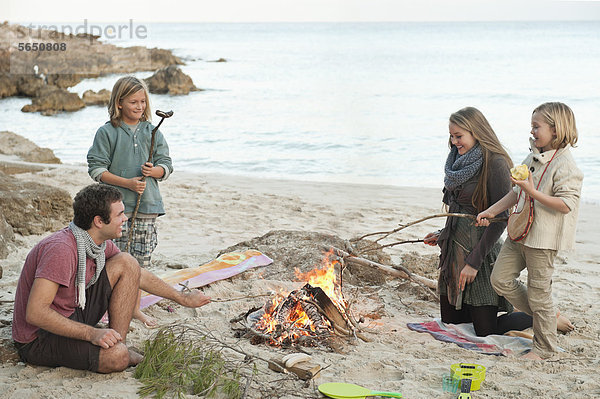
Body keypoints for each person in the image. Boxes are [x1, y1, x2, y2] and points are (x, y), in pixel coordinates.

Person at [12, 184, 210, 373]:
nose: (125, 218)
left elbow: (138, 275)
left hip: (73, 313)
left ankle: (117, 341)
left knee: (127, 262)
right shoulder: (61, 249)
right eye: (119, 214)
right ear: (99, 221)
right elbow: (35, 313)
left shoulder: (97, 242)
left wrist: (182, 298)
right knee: (116, 357)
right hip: (38, 338)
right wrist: (92, 333)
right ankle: (121, 352)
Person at [476, 102, 582, 359]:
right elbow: (516, 192)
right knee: (499, 279)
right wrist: (491, 211)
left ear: (556, 130)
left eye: (537, 126)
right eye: (532, 126)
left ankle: (545, 349)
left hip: (543, 240)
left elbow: (567, 204)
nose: (532, 131)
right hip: (519, 232)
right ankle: (548, 315)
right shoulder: (533, 156)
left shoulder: (566, 165)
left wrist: (533, 192)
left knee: (539, 293)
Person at [424, 106, 533, 337]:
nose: (454, 142)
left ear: (476, 132)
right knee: (452, 322)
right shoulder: (455, 161)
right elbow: (457, 208)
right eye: (451, 136)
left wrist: (473, 263)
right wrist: (442, 233)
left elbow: (501, 219)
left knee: (485, 330)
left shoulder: (496, 163)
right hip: (454, 250)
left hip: (481, 253)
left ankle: (545, 316)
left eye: (459, 136)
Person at [87, 76, 172, 327]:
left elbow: (166, 165)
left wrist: (153, 171)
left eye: (143, 101)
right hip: (112, 211)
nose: (139, 106)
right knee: (112, 260)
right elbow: (96, 169)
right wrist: (128, 184)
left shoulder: (152, 131)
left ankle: (133, 308)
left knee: (140, 262)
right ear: (119, 102)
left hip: (146, 208)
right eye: (133, 101)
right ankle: (107, 307)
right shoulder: (107, 132)